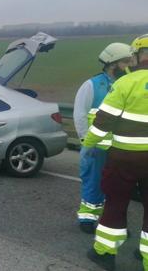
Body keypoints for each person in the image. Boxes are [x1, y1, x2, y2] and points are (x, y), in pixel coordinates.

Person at [83, 34, 148, 271]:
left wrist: (89, 143)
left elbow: (102, 122)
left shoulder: (126, 83)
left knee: (115, 205)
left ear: (139, 55)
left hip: (124, 158)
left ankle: (104, 253)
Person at [73, 43, 134, 234]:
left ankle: (112, 222)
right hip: (96, 147)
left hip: (120, 148)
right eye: (125, 62)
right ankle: (87, 218)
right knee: (93, 183)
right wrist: (85, 141)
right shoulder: (92, 85)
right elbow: (80, 115)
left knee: (117, 188)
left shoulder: (127, 84)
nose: (129, 65)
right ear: (112, 63)